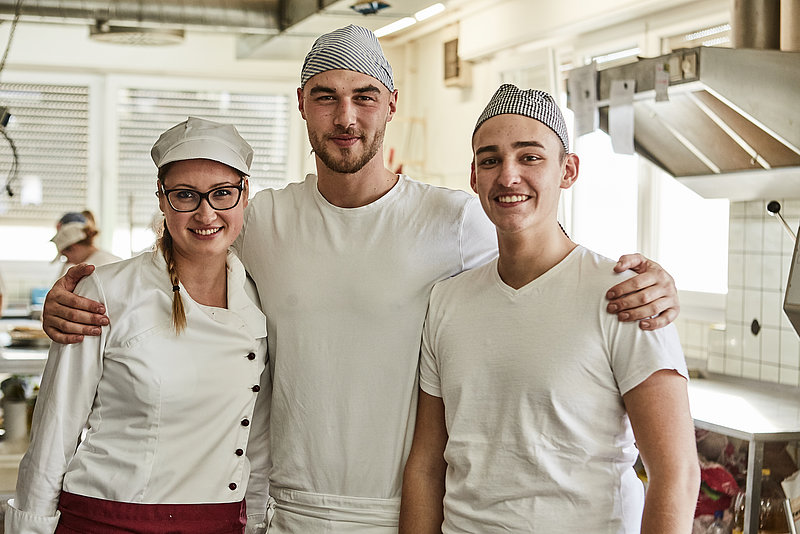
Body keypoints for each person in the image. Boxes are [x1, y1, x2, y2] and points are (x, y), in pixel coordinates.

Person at [41, 26, 680, 533]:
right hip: (283, 512)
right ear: (301, 106)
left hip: (405, 512)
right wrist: (79, 298)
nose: (346, 117)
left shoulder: (456, 220)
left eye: (364, 96)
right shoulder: (263, 221)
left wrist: (655, 283)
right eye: (326, 96)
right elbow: (180, 257)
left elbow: (545, 255)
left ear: (391, 106)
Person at [399, 85, 700, 534]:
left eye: (530, 157)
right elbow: (426, 465)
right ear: (474, 177)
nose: (508, 176)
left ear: (568, 169)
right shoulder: (447, 301)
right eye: (490, 160)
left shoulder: (624, 295)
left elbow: (676, 474)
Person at [6, 117, 271, 534]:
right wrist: (29, 526)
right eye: (185, 195)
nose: (206, 213)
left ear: (244, 196)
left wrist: (255, 522)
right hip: (107, 516)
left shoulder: (261, 297)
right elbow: (55, 429)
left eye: (222, 194)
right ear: (163, 201)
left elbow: (257, 435)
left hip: (218, 520)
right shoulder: (106, 290)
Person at [50, 210, 120, 278]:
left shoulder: (98, 267)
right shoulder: (108, 259)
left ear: (73, 247)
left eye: (65, 256)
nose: (68, 262)